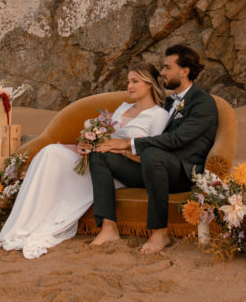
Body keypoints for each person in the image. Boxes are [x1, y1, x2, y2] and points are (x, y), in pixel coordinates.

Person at [0, 62, 169, 259]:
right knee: (51, 152)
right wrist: (86, 143)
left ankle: (108, 227)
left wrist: (117, 148)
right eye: (128, 81)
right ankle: (29, 219)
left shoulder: (158, 115)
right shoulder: (123, 108)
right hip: (105, 160)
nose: (129, 86)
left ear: (149, 84)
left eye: (135, 81)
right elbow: (105, 135)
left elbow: (152, 156)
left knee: (101, 155)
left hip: (134, 168)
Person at [89, 44, 218, 254]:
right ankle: (108, 227)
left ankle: (160, 233)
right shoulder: (167, 102)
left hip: (182, 174)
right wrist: (110, 145)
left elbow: (176, 139)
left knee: (151, 154)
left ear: (184, 71)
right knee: (100, 154)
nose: (162, 73)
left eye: (167, 68)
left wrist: (127, 145)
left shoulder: (203, 103)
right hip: (151, 167)